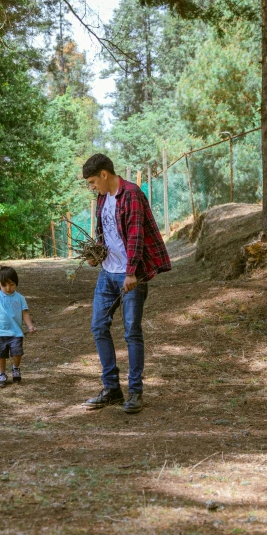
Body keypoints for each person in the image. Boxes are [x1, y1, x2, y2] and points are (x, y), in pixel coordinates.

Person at [82, 153, 171, 414]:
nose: (92, 187)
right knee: (98, 326)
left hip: (131, 273)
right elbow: (106, 234)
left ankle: (135, 392)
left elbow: (135, 235)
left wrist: (131, 272)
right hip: (108, 273)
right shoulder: (102, 199)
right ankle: (111, 389)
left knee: (131, 331)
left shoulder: (131, 194)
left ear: (104, 175)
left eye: (92, 181)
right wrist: (95, 255)